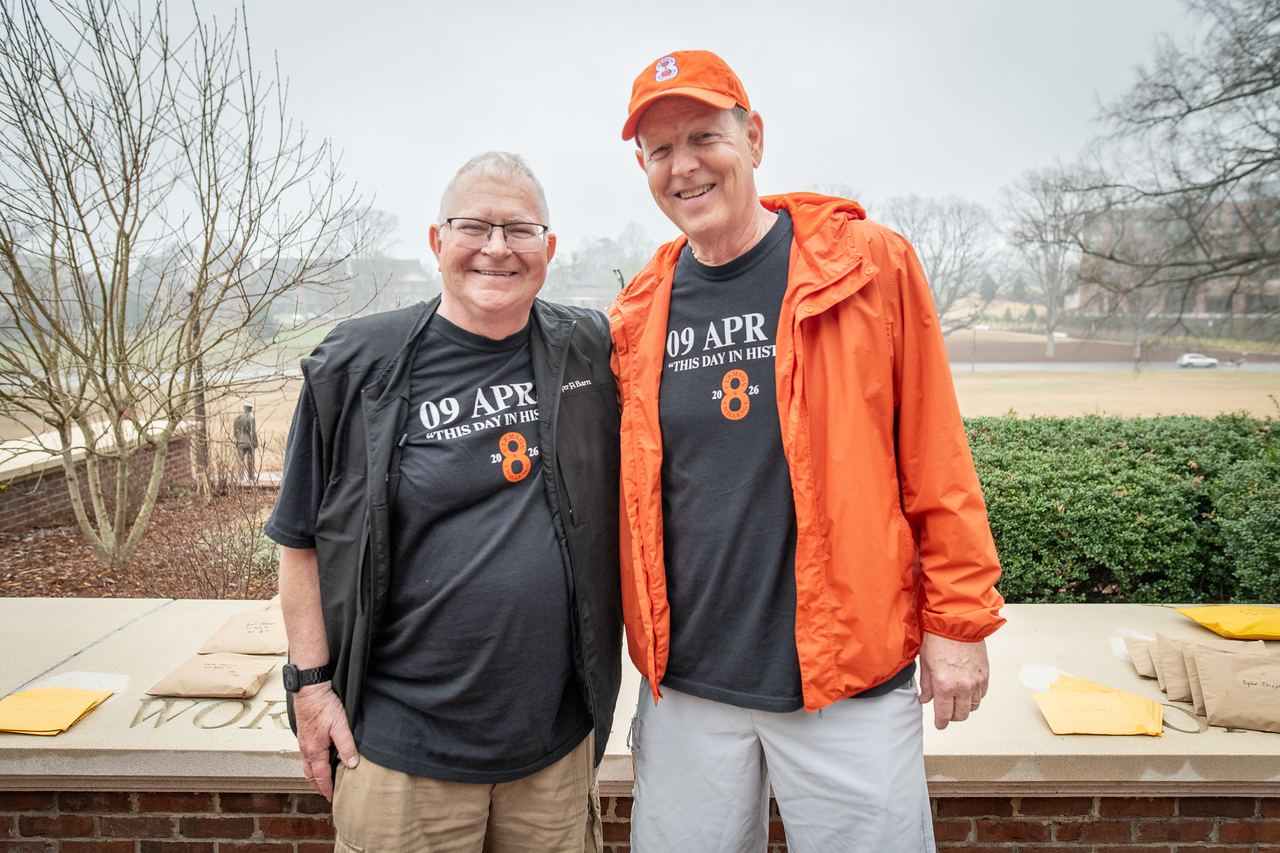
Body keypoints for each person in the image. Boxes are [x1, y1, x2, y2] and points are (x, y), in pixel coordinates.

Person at [609, 51, 1006, 852]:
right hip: (687, 688)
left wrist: (959, 622)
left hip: (847, 681)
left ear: (753, 137)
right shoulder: (638, 309)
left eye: (704, 137)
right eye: (660, 150)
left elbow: (936, 451)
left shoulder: (868, 265)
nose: (683, 165)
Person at [265, 151, 622, 853]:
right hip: (401, 752)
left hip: (551, 749)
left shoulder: (587, 349)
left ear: (548, 248)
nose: (497, 248)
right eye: (475, 227)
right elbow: (298, 539)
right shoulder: (358, 367)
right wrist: (309, 687)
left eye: (520, 230)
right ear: (437, 242)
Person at [233, 402, 257, 482]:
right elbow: (253, 432)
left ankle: (240, 475)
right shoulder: (251, 419)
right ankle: (250, 475)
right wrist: (255, 442)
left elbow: (235, 432)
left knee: (240, 459)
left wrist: (238, 439)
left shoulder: (238, 419)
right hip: (249, 441)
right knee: (250, 460)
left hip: (240, 441)